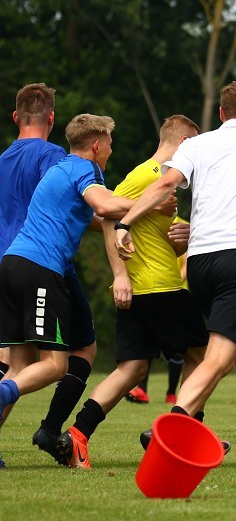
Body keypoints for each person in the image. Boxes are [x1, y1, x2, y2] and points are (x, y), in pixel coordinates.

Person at [112, 82, 236, 467]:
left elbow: (166, 183)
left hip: (200, 267)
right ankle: (170, 423)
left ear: (220, 113)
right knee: (219, 358)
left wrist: (125, 222)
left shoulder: (194, 146)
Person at [55, 115, 210, 469]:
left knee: (133, 369)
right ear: (185, 144)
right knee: (207, 359)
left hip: (145, 290)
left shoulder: (161, 185)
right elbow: (109, 216)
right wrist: (120, 275)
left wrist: (179, 236)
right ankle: (180, 435)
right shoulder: (151, 176)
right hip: (160, 288)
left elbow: (151, 233)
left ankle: (77, 435)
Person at [0, 114, 135, 431]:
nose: (111, 152)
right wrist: (151, 202)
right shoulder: (85, 168)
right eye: (110, 146)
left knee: (18, 365)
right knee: (55, 365)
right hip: (40, 271)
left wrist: (128, 218)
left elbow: (93, 218)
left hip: (12, 265)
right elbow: (104, 206)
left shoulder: (59, 170)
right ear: (97, 145)